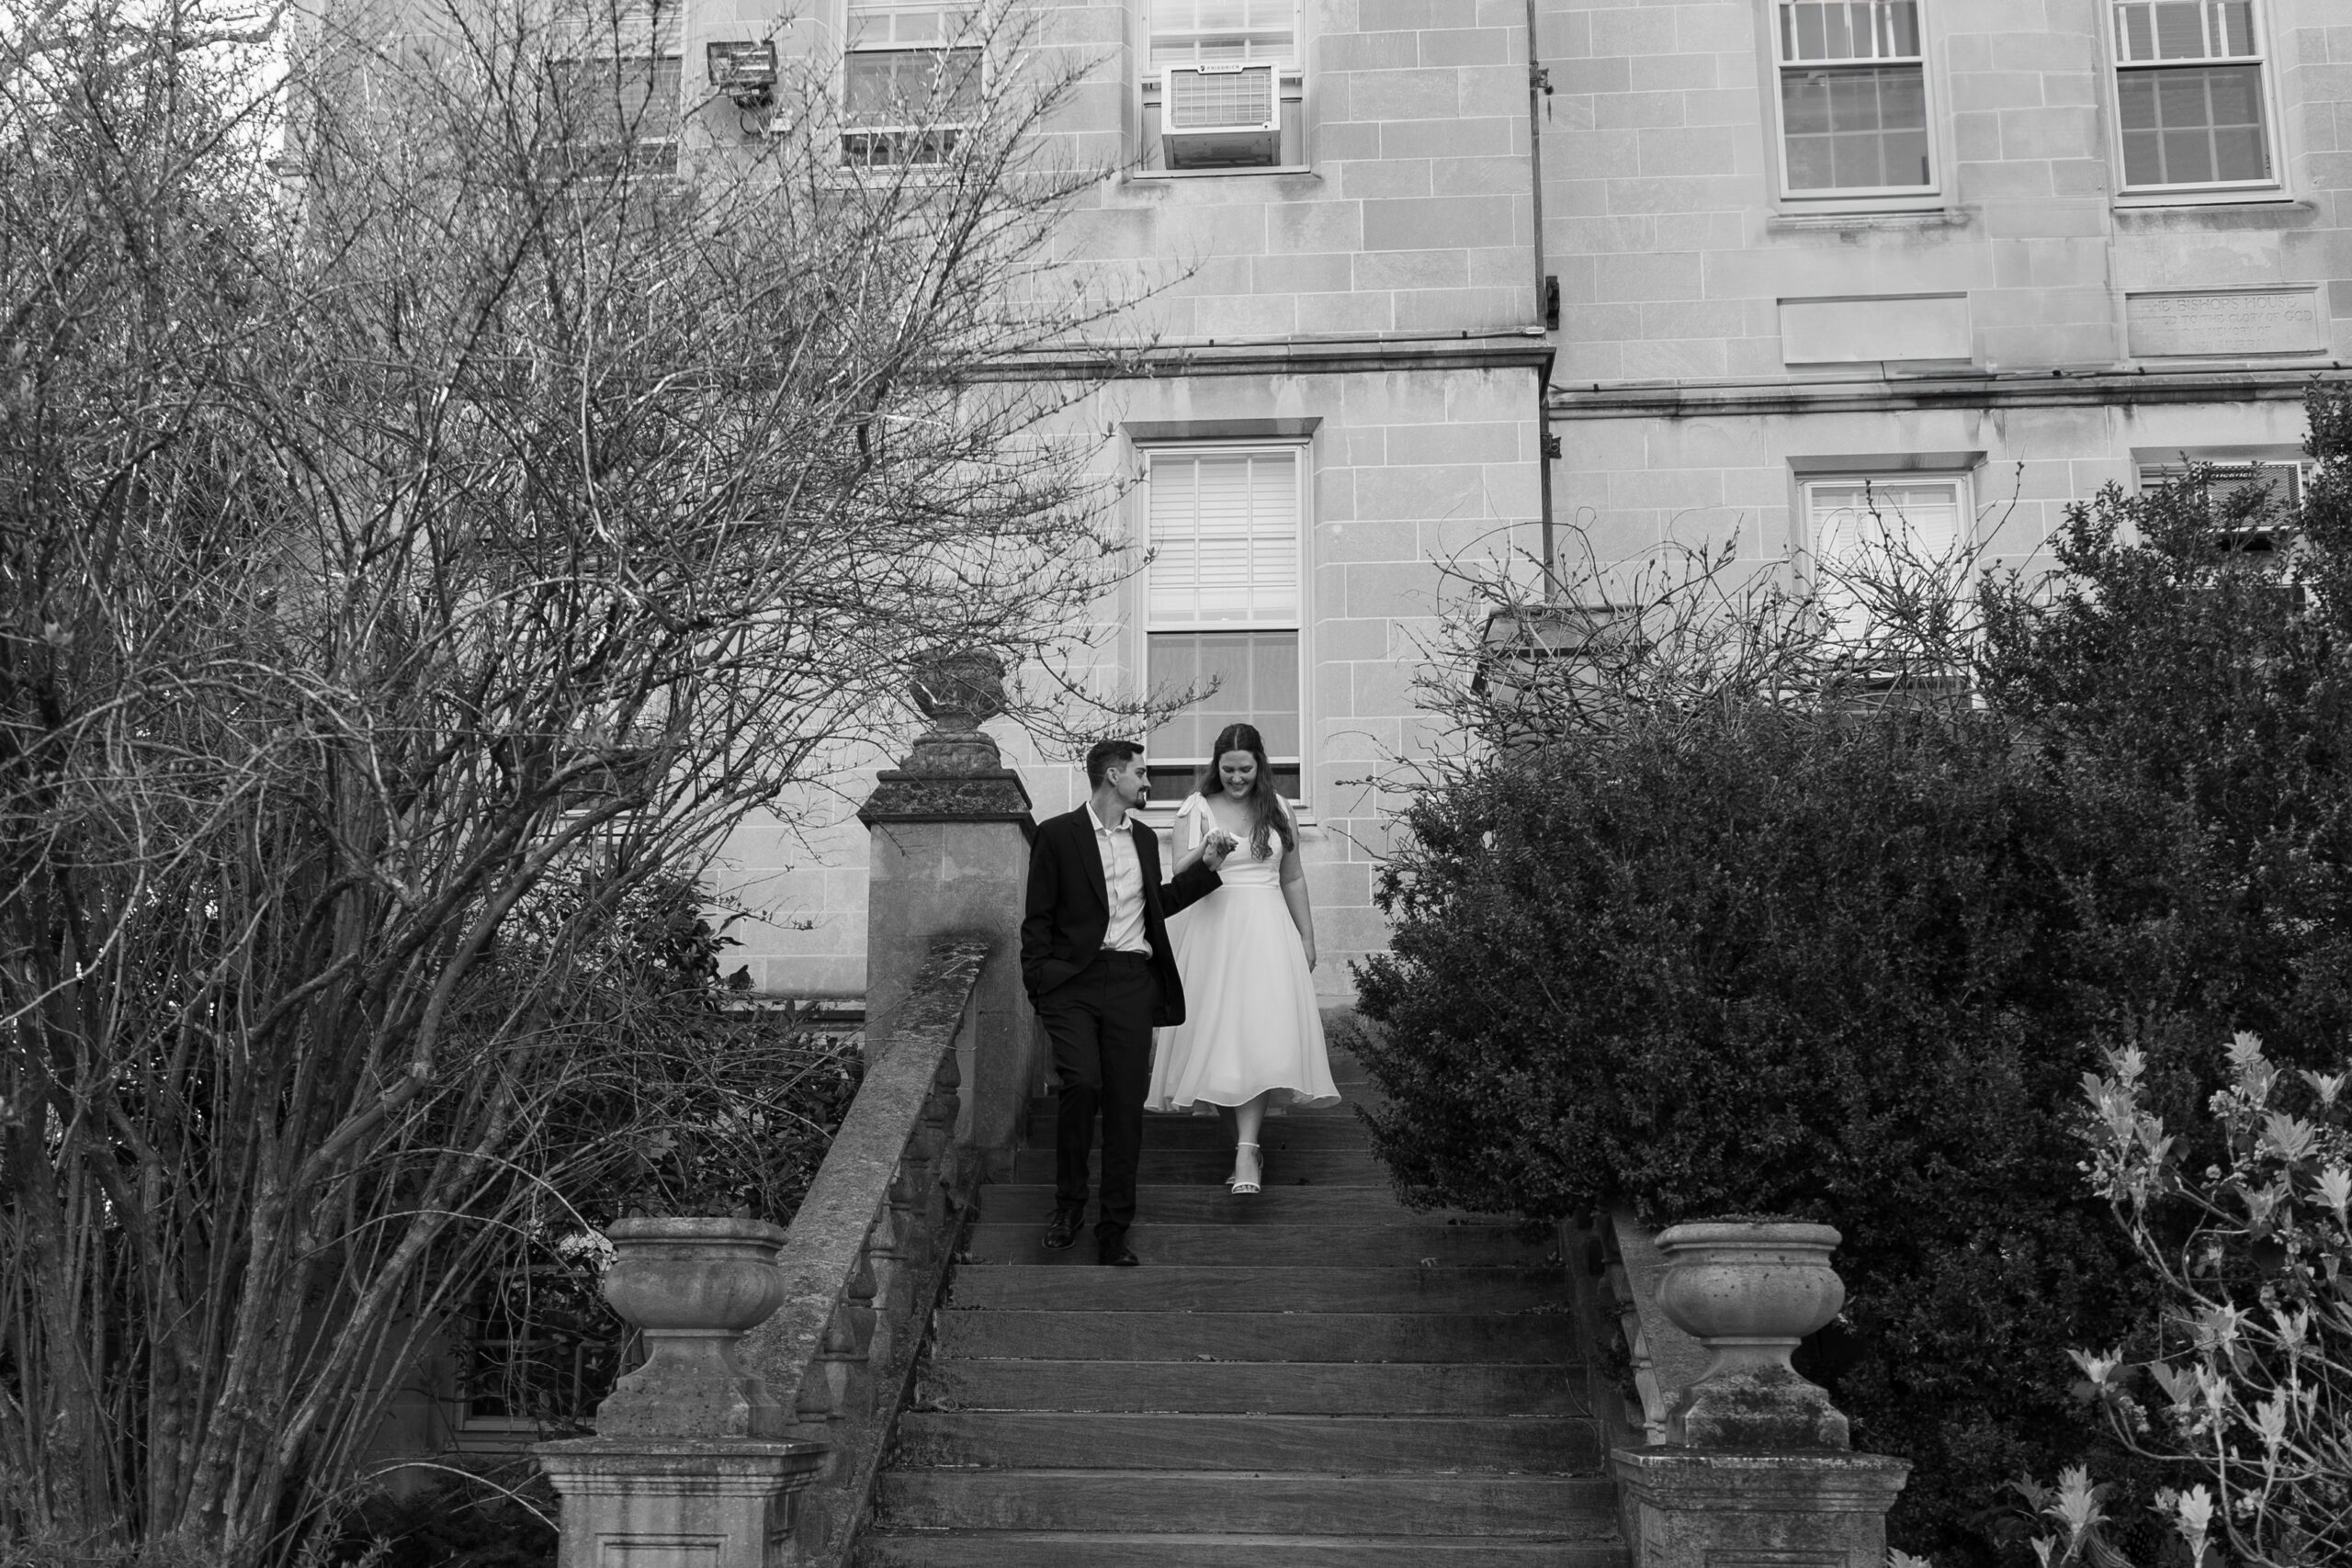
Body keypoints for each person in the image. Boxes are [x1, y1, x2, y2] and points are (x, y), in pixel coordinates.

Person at [1021, 738, 1233, 1266]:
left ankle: (1113, 1228)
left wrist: (1205, 866)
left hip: (1132, 982)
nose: (1148, 783)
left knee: (1124, 1106)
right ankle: (1068, 1207)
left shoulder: (1143, 838)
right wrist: (1041, 984)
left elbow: (1154, 905)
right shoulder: (1056, 835)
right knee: (1082, 1084)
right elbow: (1037, 921)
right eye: (1141, 773)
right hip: (1072, 984)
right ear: (1112, 776)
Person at [1145, 722, 1339, 1195]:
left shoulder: (1279, 808)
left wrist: (1307, 938)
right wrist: (1208, 852)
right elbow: (1177, 872)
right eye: (1228, 769)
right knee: (1220, 1046)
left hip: (1269, 933)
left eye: (1245, 769)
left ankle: (1247, 1150)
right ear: (1216, 766)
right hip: (1213, 931)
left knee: (1259, 1039)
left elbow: (1292, 878)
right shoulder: (1196, 807)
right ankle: (1245, 1148)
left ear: (1260, 765)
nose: (1236, 778)